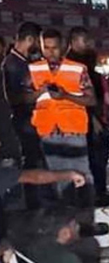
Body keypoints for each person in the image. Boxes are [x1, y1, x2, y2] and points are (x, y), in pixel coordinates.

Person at [28, 29, 96, 207]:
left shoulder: (77, 69)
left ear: (64, 47)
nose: (51, 52)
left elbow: (91, 99)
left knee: (82, 177)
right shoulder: (33, 69)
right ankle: (67, 222)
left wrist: (65, 96)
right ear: (41, 47)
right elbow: (20, 99)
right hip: (48, 133)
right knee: (57, 180)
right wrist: (39, 92)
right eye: (47, 48)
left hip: (73, 133)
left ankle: (86, 217)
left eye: (55, 48)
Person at [2, 21, 46, 208]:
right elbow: (12, 98)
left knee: (34, 163)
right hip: (20, 124)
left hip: (31, 123)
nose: (40, 47)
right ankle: (29, 206)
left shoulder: (24, 62)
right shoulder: (11, 64)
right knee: (27, 166)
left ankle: (34, 204)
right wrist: (39, 93)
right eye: (39, 41)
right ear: (30, 39)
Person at [66, 27, 109, 199]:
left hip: (94, 118)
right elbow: (79, 97)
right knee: (91, 159)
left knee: (98, 159)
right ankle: (92, 194)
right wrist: (94, 118)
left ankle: (98, 191)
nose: (88, 44)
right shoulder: (71, 65)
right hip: (83, 120)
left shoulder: (85, 64)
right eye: (85, 41)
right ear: (74, 41)